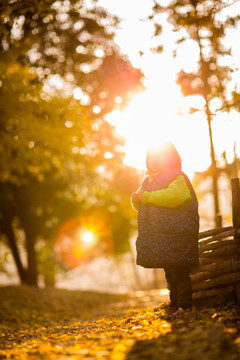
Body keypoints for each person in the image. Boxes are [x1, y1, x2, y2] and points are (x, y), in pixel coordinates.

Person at [131, 142, 199, 311]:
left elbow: (175, 196)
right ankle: (175, 305)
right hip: (162, 236)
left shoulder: (176, 176)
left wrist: (145, 197)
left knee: (181, 271)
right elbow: (143, 205)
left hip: (178, 232)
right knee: (170, 272)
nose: (154, 160)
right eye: (151, 157)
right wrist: (136, 200)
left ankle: (184, 306)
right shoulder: (147, 181)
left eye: (159, 156)